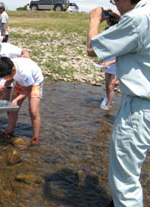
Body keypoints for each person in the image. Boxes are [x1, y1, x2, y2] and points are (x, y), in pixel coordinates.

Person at [87, 0, 150, 207]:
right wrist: (122, 21)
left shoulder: (136, 19)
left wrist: (94, 20)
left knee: (125, 179)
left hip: (140, 106)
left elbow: (92, 48)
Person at [0, 57, 44, 146]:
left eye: (5, 77)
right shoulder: (8, 67)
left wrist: (16, 99)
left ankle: (36, 137)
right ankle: (10, 130)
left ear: (13, 70)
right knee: (13, 108)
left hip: (35, 83)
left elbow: (28, 89)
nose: (4, 79)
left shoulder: (24, 72)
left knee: (33, 111)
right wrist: (5, 85)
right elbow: (11, 78)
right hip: (21, 82)